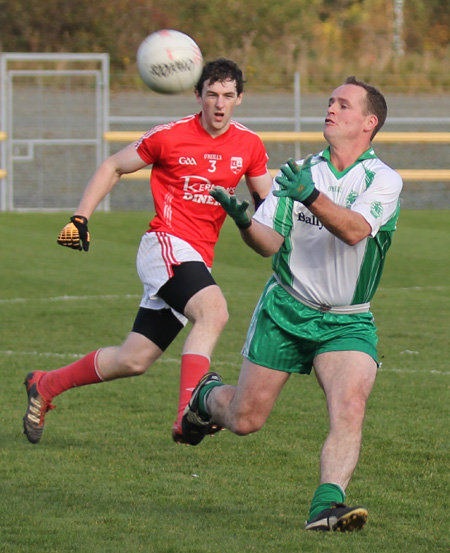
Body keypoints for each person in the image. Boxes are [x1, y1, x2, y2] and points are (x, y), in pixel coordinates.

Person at [181, 76, 403, 532]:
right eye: (330, 102)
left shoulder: (383, 180)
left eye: (344, 105)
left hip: (347, 322)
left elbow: (355, 229)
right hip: (286, 310)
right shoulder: (301, 171)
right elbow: (267, 243)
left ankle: (326, 506)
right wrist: (243, 221)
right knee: (244, 419)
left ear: (368, 122)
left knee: (351, 405)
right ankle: (205, 397)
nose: (332, 109)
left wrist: (311, 197)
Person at [22, 58, 273, 445]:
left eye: (227, 96)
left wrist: (260, 223)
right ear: (198, 95)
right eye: (211, 95)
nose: (219, 104)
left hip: (195, 258)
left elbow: (265, 214)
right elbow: (113, 166)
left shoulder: (249, 145)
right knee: (214, 311)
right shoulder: (169, 136)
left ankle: (44, 384)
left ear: (240, 98)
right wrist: (80, 218)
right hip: (165, 244)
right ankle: (189, 410)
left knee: (134, 359)